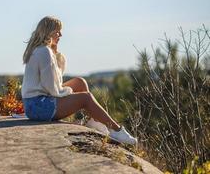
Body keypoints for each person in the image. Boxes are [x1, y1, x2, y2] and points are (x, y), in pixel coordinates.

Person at [21, 16, 137, 145]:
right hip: (39, 106)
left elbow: (52, 83)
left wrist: (57, 58)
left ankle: (95, 121)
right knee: (85, 98)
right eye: (58, 31)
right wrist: (69, 92)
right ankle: (117, 131)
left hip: (35, 103)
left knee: (79, 82)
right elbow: (52, 88)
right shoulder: (44, 52)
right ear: (50, 32)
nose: (61, 35)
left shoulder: (41, 50)